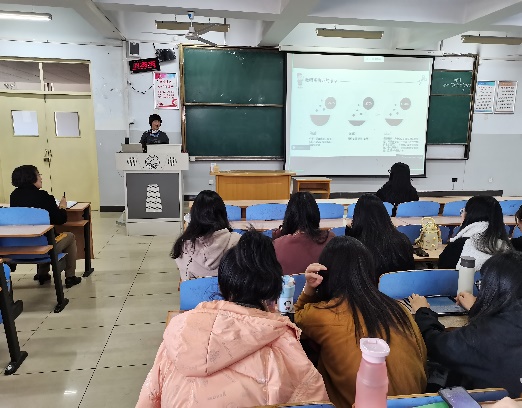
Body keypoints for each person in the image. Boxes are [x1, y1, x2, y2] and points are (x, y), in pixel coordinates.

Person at [137, 231, 329, 408]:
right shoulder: (283, 345)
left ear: (223, 285)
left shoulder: (178, 332)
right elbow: (314, 401)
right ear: (273, 291)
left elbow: (149, 398)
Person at [294, 236, 427, 407]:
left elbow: (297, 319)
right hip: (415, 404)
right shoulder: (399, 309)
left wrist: (309, 289)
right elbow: (422, 358)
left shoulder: (321, 314)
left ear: (326, 275)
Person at [409, 252, 522, 397]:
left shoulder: (481, 335)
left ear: (494, 290)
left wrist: (423, 311)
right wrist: (478, 309)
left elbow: (437, 345)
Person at [9, 165, 81, 288]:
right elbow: (60, 220)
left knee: (41, 233)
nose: (41, 177)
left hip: (19, 247)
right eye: (38, 174)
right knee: (69, 236)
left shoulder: (14, 196)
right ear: (31, 177)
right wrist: (62, 207)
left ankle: (42, 274)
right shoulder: (44, 196)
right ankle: (70, 277)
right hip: (43, 248)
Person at [171, 190, 240, 281]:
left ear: (194, 215)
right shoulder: (237, 241)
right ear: (223, 214)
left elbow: (185, 279)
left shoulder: (184, 245)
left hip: (196, 289)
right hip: (228, 289)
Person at [345, 193, 414, 279]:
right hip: (401, 286)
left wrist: (349, 231)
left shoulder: (357, 246)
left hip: (370, 287)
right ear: (384, 214)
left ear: (357, 217)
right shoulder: (403, 239)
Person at [438, 196, 511, 270]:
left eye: (463, 211)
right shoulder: (507, 248)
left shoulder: (455, 247)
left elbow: (443, 272)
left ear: (468, 215)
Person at [273, 192, 334, 275]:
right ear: (316, 214)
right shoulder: (330, 239)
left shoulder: (277, 245)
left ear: (289, 216)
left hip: (291, 284)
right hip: (321, 283)